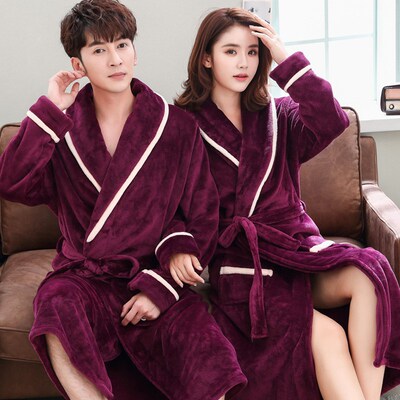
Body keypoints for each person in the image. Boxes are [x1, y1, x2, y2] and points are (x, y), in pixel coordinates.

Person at [0, 1, 248, 399]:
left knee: (209, 357)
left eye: (122, 45)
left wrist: (161, 288)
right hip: (85, 278)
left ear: (134, 51)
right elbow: (12, 183)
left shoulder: (176, 127)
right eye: (99, 50)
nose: (115, 59)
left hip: (149, 273)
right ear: (78, 65)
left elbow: (203, 217)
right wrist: (49, 110)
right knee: (56, 304)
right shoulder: (61, 129)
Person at [175, 7, 400, 400]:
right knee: (327, 336)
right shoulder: (182, 127)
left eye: (252, 52)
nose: (243, 63)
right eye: (231, 51)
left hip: (297, 250)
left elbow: (330, 120)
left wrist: (284, 58)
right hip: (246, 265)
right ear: (206, 58)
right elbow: (167, 199)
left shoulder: (279, 116)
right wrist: (178, 246)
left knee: (371, 271)